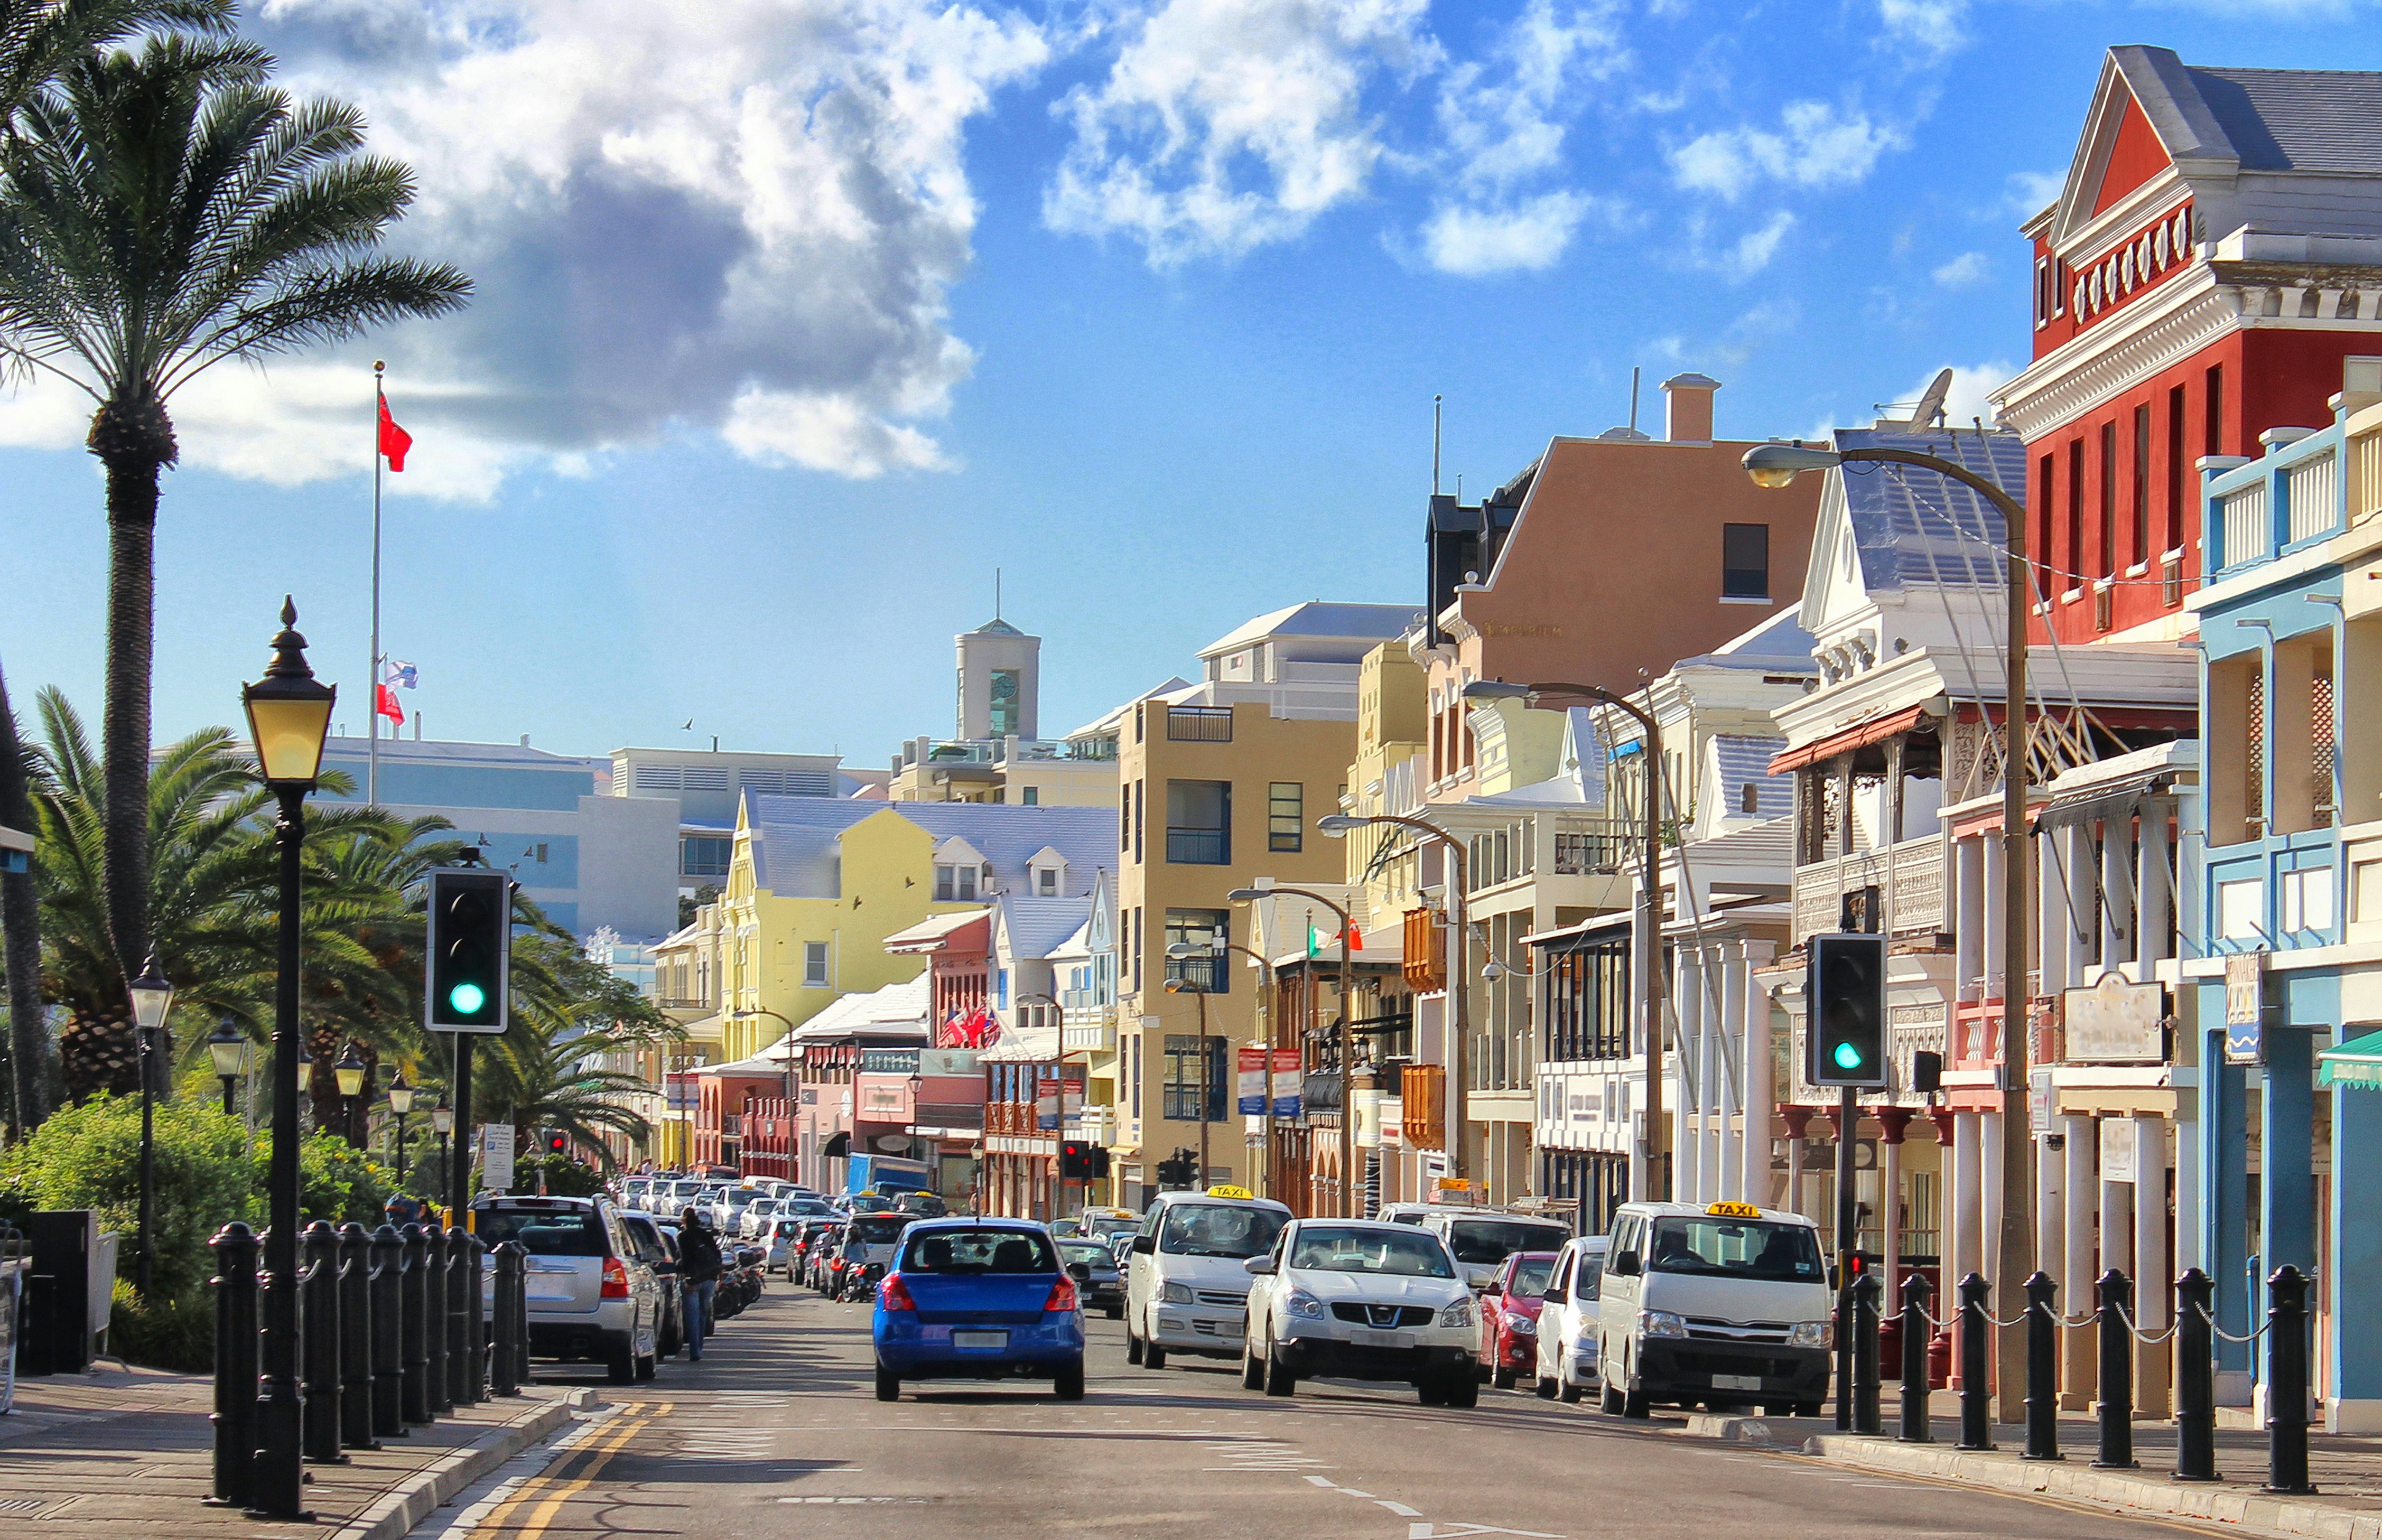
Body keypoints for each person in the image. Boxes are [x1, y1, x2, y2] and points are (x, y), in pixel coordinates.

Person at [676, 1206, 724, 1361]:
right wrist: (719, 1276)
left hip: (693, 1280)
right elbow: (717, 1255)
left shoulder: (683, 1237)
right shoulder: (706, 1235)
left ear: (684, 1220)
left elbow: (685, 1260)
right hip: (709, 1278)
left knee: (692, 1316)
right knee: (703, 1313)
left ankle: (695, 1351)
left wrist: (686, 1277)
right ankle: (699, 1347)